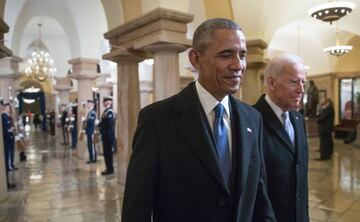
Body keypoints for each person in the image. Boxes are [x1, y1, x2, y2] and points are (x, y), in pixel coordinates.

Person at [122, 18, 275, 222]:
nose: (238, 65)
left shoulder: (252, 118)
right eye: (226, 54)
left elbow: (259, 196)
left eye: (242, 55)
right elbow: (136, 208)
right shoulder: (157, 120)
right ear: (195, 59)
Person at [254, 54, 309, 222]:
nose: (301, 89)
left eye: (303, 82)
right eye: (294, 82)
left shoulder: (298, 119)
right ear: (271, 83)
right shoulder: (252, 120)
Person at [98, 96, 116, 175]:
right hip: (105, 135)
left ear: (109, 102)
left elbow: (109, 123)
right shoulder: (106, 111)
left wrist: (100, 124)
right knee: (106, 153)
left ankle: (110, 169)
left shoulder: (110, 112)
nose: (104, 103)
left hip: (109, 135)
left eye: (105, 101)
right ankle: (108, 168)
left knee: (108, 153)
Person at [1, 102, 16, 189]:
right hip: (5, 141)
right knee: (6, 160)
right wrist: (10, 129)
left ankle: (7, 182)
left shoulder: (7, 116)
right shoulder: (3, 116)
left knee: (8, 158)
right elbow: (5, 129)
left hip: (9, 139)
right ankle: (6, 183)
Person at [85, 99, 97, 164]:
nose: (88, 105)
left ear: (92, 104)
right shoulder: (90, 112)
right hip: (89, 131)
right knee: (89, 145)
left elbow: (91, 122)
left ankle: (93, 159)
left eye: (89, 104)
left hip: (91, 131)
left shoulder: (92, 112)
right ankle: (91, 158)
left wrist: (85, 120)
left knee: (92, 146)